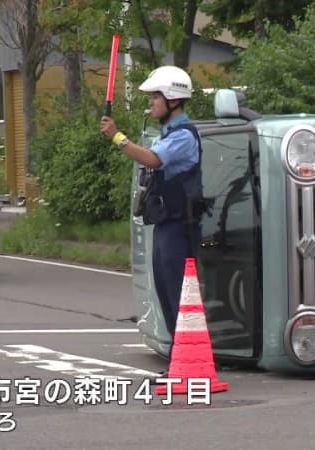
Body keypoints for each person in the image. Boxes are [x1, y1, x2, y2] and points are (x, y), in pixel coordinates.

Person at [100, 65, 204, 363]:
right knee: (166, 292)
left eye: (154, 98)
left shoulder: (183, 136)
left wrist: (118, 137)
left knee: (177, 294)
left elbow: (153, 159)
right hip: (166, 224)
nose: (150, 104)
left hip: (180, 227)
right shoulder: (168, 133)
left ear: (172, 99)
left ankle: (188, 361)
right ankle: (180, 360)